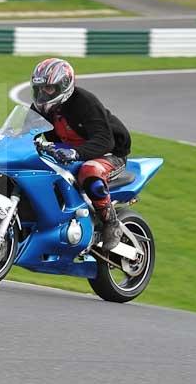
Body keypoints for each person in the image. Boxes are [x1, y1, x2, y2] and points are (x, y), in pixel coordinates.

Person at [30, 58, 131, 250]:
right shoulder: (41, 107)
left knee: (90, 170)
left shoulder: (85, 102)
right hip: (68, 153)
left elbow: (104, 140)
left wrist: (76, 153)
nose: (43, 93)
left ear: (64, 86)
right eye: (39, 89)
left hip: (109, 153)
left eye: (49, 88)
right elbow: (23, 132)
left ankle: (111, 223)